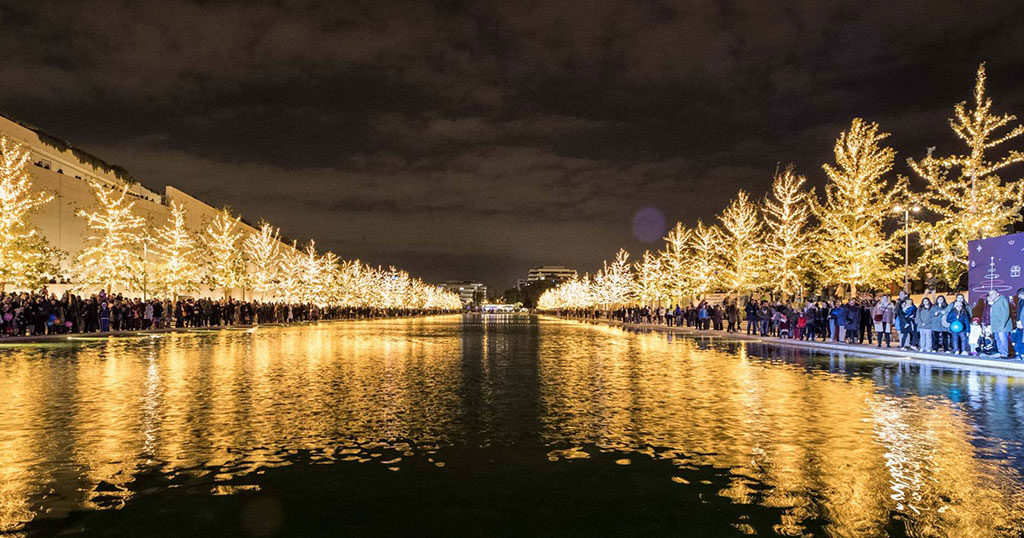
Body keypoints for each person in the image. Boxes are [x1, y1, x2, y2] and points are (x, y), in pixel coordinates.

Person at [988, 289, 1013, 358]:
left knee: (1003, 339)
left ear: (997, 294)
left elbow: (1006, 312)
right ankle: (1001, 353)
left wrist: (1003, 324)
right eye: (990, 294)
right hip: (996, 326)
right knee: (998, 339)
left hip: (1002, 325)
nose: (991, 295)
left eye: (993, 293)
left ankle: (1005, 354)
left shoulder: (1002, 300)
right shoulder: (994, 302)